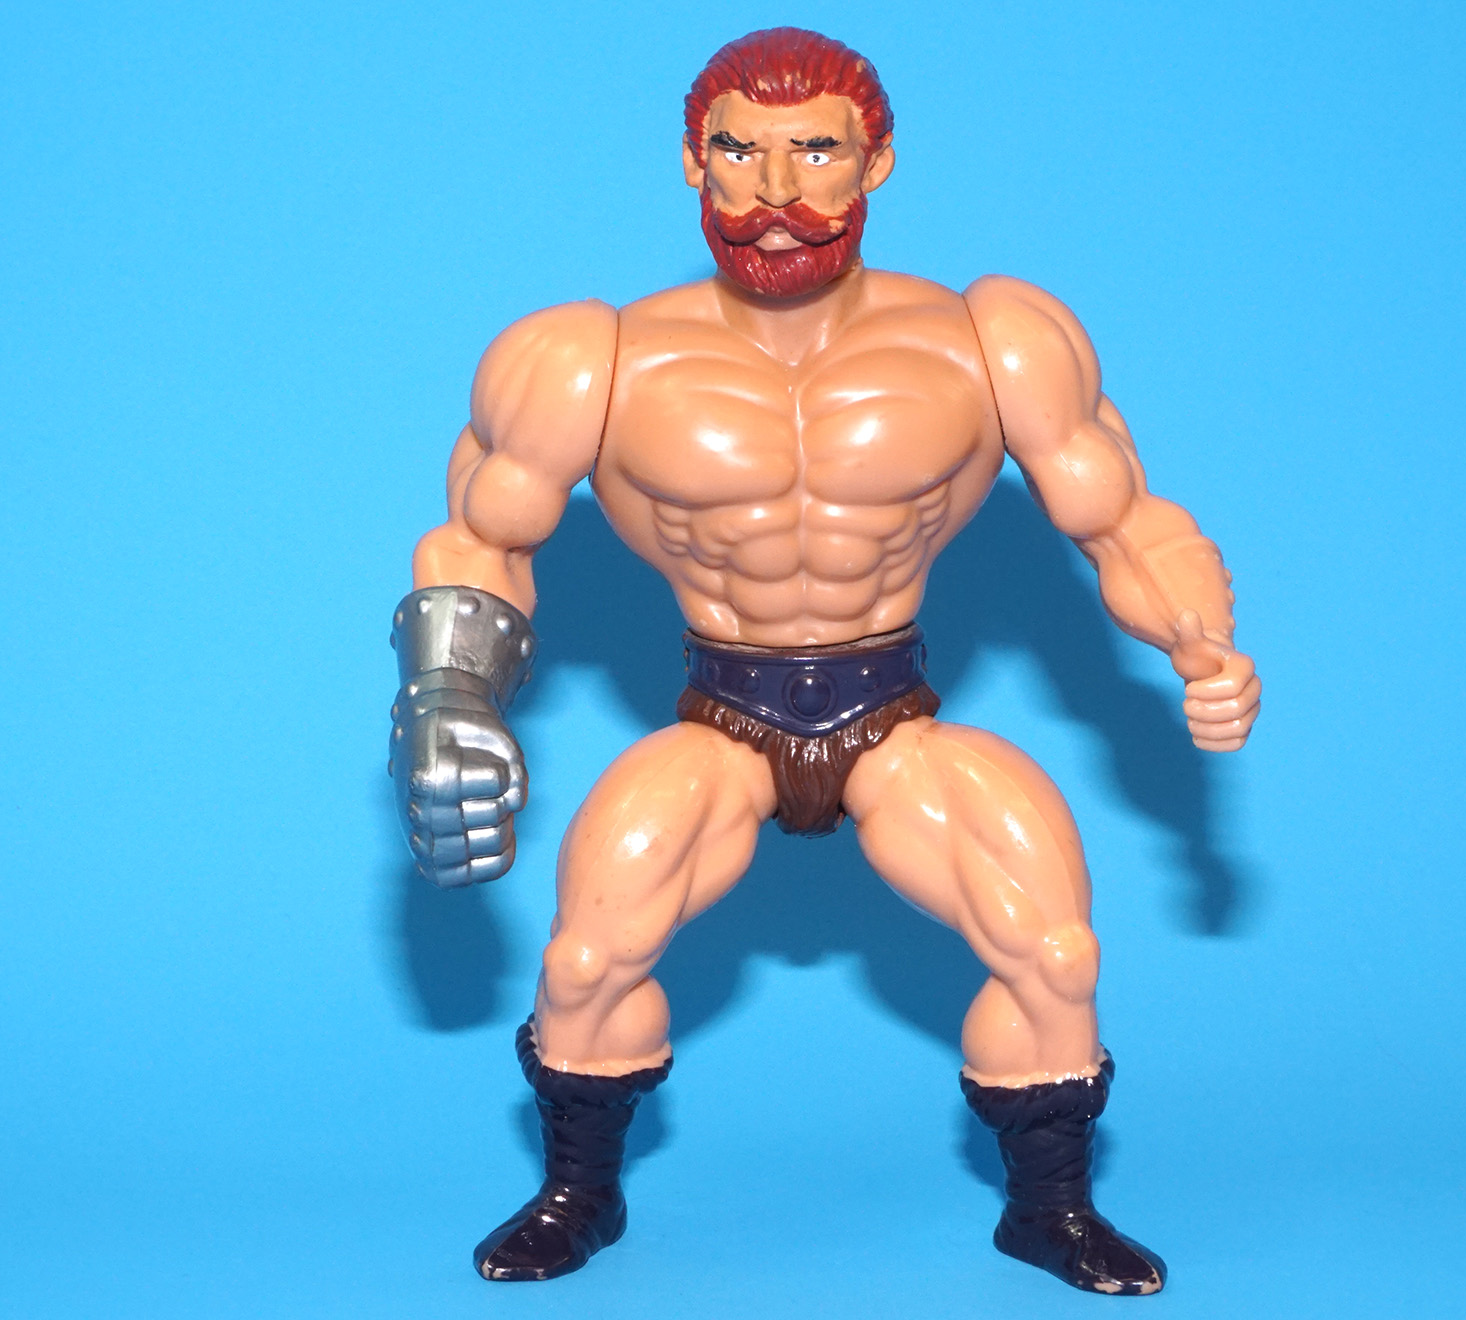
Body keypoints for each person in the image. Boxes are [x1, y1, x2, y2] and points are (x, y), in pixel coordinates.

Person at [388, 26, 1260, 1296]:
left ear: (875, 161)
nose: (774, 192)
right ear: (693, 159)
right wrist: (445, 695)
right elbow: (479, 540)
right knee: (585, 956)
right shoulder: (590, 358)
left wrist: (1199, 643)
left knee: (1055, 949)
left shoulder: (988, 339)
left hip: (891, 714)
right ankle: (579, 1192)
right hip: (721, 716)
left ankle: (1050, 1209)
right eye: (739, 151)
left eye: (813, 151)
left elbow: (1122, 518)